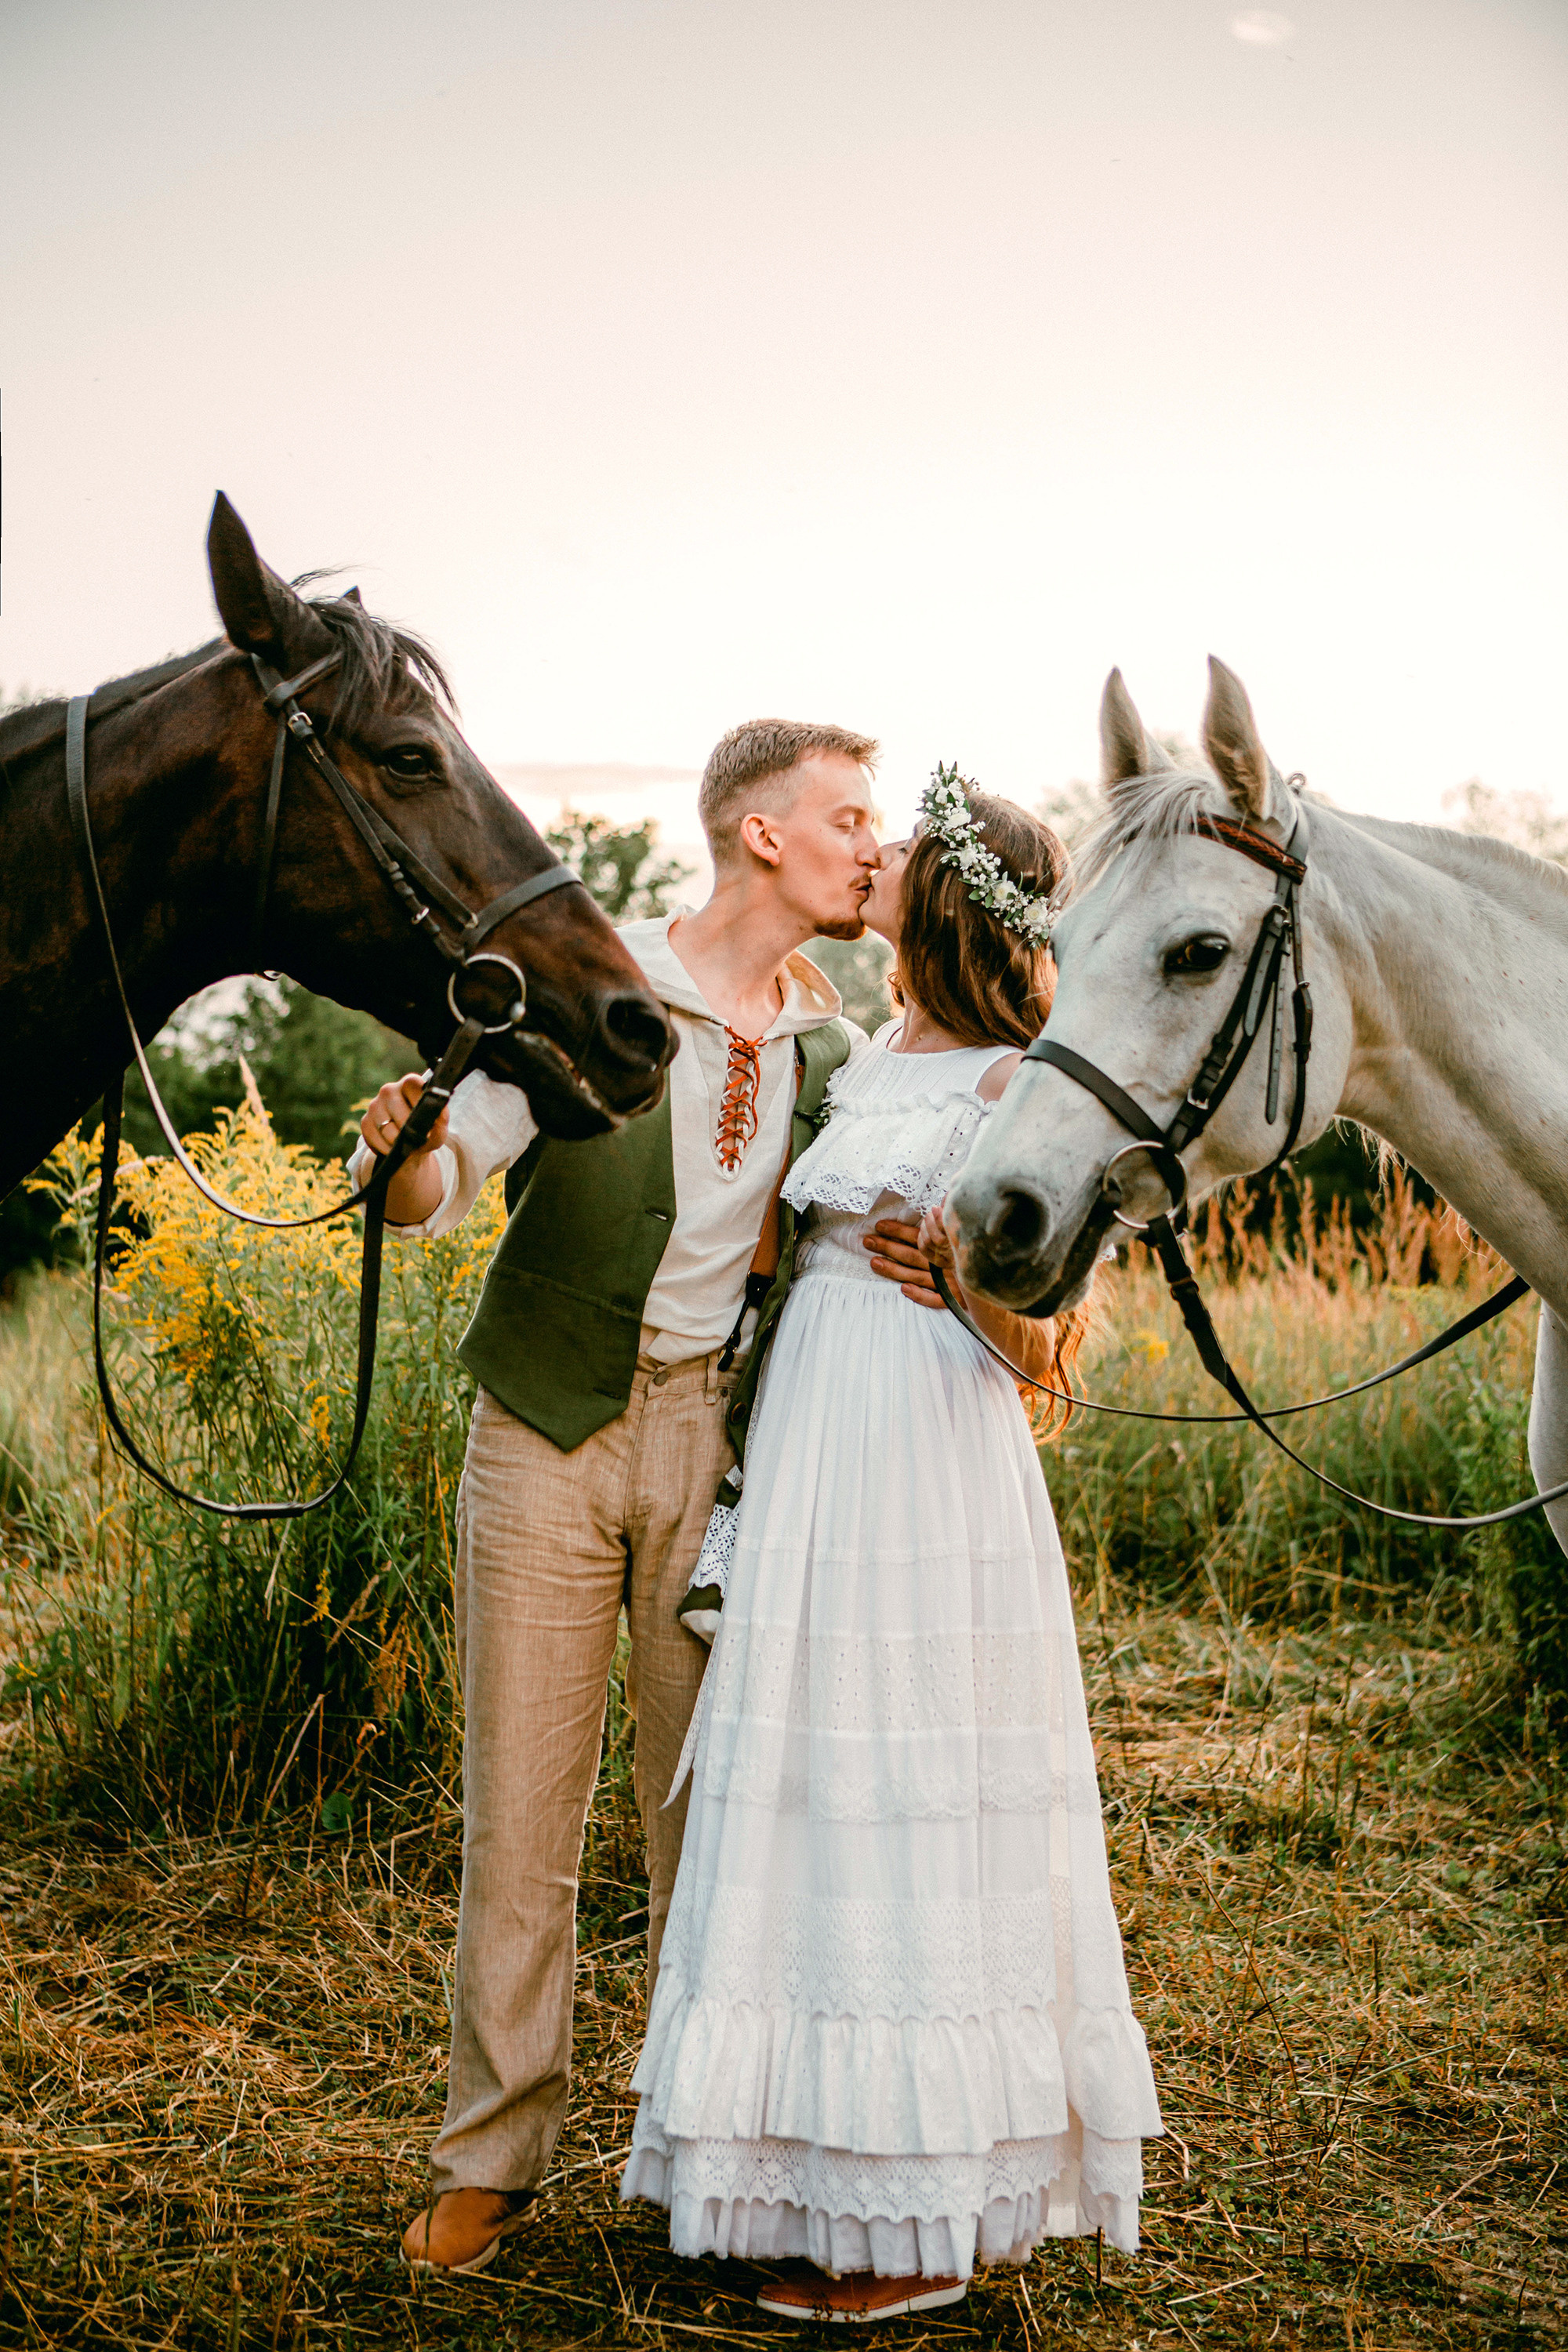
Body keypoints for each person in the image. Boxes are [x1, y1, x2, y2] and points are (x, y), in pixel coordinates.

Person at [622, 774, 1163, 2323]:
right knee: (804, 1791)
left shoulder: (1024, 1085)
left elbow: (1051, 1355)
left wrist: (968, 1284)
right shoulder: (864, 1061)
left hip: (931, 1460)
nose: (867, 872)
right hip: (812, 1450)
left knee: (904, 1787)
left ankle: (906, 2221)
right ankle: (791, 2171)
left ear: (941, 910)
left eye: (894, 863)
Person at [350, 719, 880, 2275]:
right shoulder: (593, 984)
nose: (871, 842)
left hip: (721, 1448)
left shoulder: (833, 1053)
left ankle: (698, 2150)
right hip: (547, 1429)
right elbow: (440, 1196)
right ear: (759, 834)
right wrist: (404, 1147)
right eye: (847, 815)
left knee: (700, 1822)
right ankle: (492, 2154)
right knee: (521, 1810)